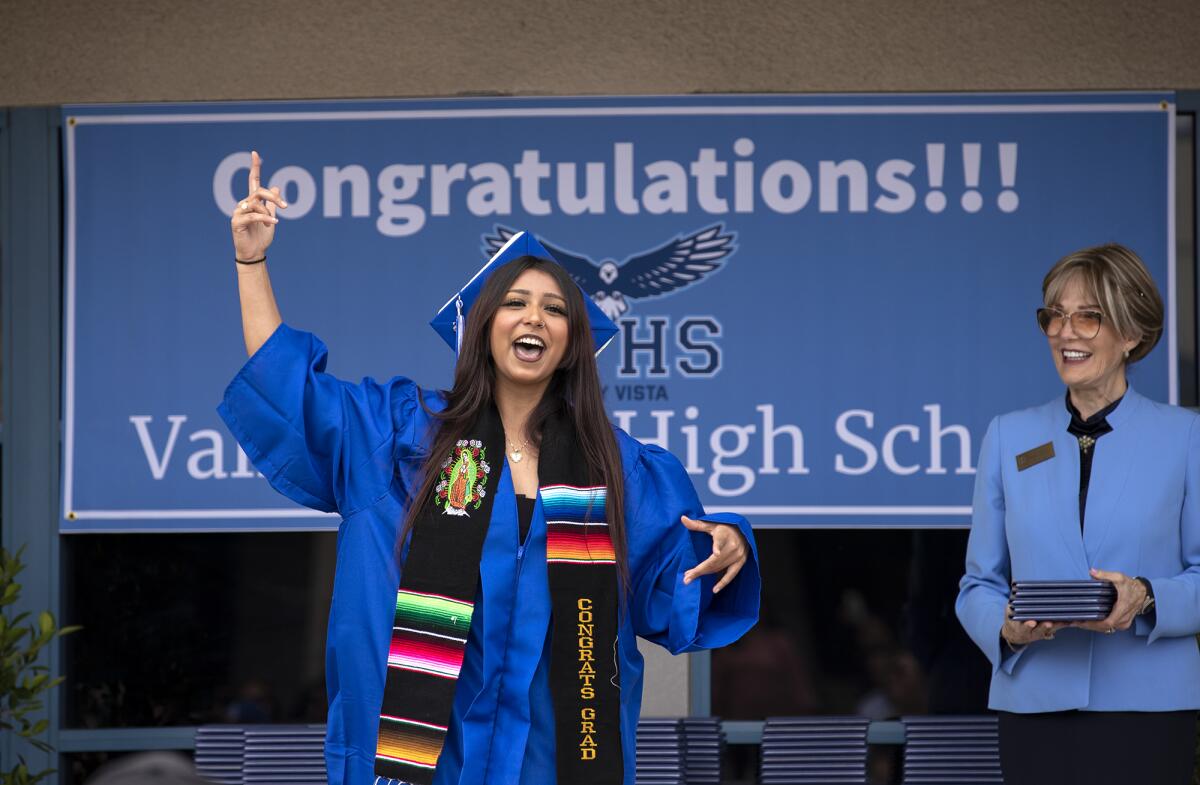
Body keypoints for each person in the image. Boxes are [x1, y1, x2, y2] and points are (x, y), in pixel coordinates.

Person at [218, 152, 760, 785]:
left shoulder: (616, 469)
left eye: (555, 309)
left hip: (553, 758)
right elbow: (291, 392)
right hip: (421, 754)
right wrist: (251, 262)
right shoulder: (400, 436)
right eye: (515, 303)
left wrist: (728, 542)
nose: (534, 318)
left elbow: (675, 568)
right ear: (482, 327)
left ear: (570, 346)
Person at [955, 243, 1200, 784]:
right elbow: (978, 583)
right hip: (1034, 706)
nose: (1066, 333)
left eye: (1089, 317)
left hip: (1150, 710)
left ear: (1132, 333)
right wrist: (1006, 631)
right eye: (1055, 316)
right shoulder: (1007, 436)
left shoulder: (1186, 436)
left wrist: (1146, 596)